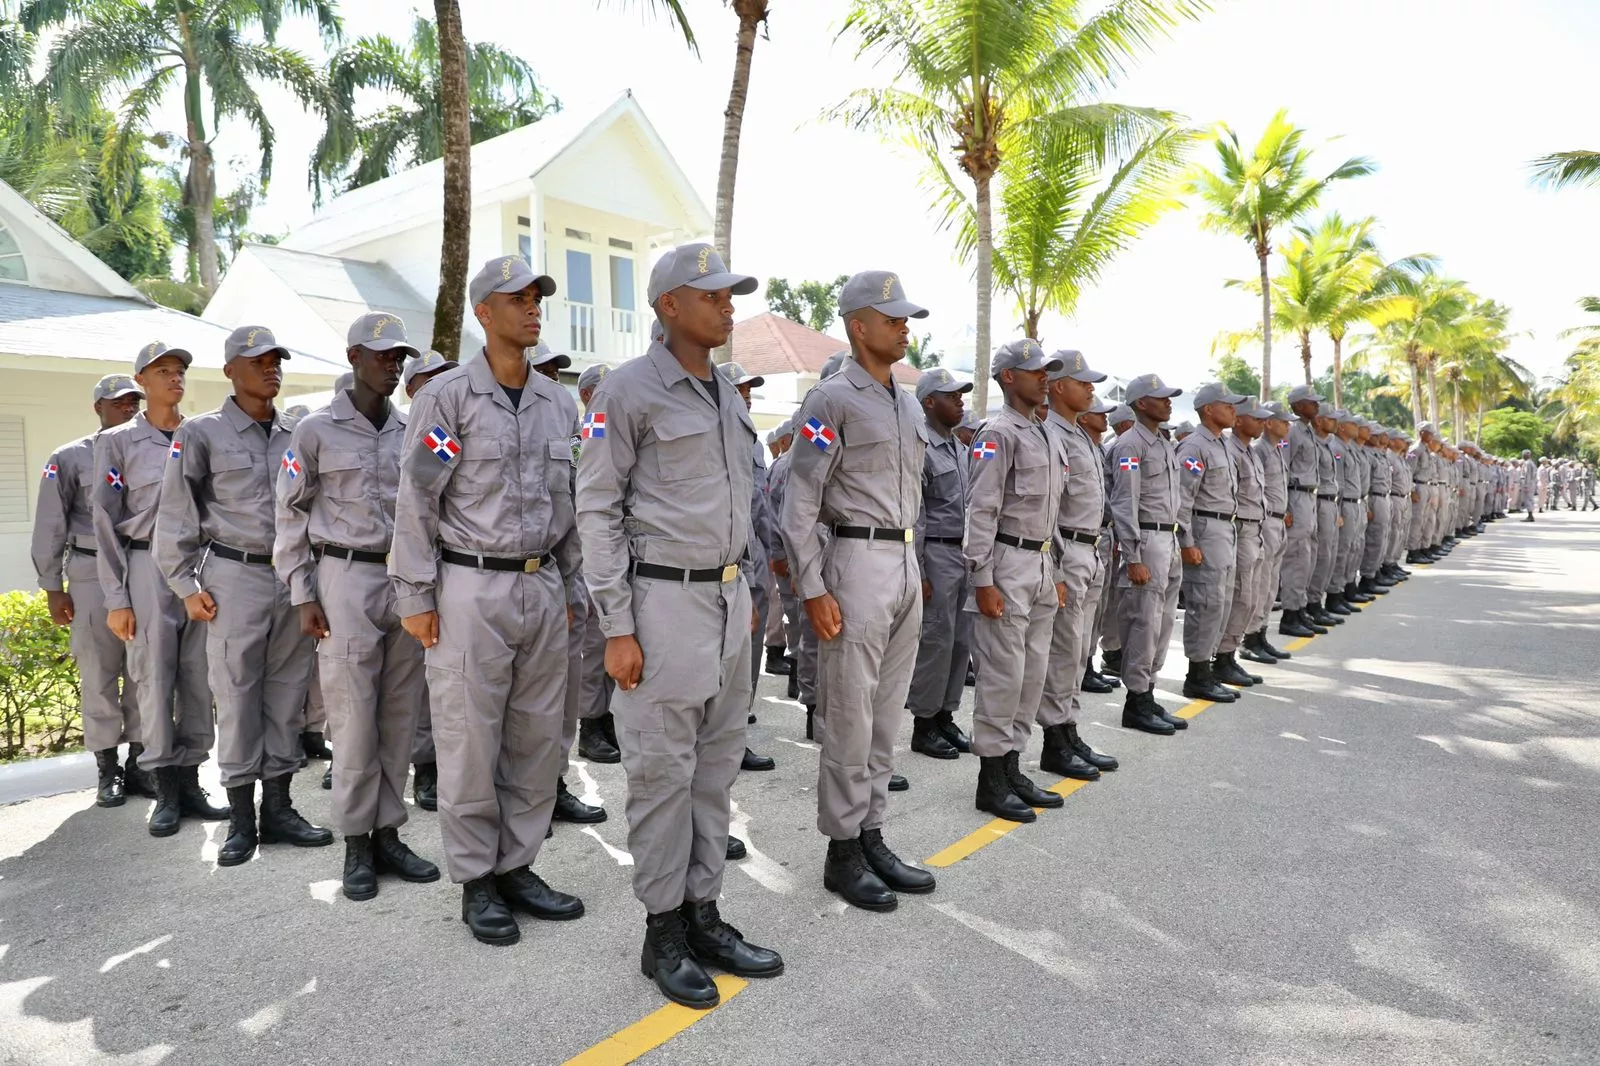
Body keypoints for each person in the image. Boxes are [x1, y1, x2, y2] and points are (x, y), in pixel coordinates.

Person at [577, 243, 782, 1008]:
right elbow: (596, 509)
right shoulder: (627, 392)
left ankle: (704, 912)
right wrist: (617, 626)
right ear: (669, 305)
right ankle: (662, 929)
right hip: (660, 607)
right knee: (662, 775)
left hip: (729, 604)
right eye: (714, 295)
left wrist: (751, 587)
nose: (729, 305)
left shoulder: (726, 393)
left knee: (714, 769)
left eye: (731, 294)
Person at [391, 256, 585, 945]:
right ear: (483, 312)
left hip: (541, 582)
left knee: (537, 737)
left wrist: (573, 585)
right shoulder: (445, 399)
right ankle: (477, 878)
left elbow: (573, 502)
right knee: (471, 738)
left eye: (538, 297)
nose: (533, 307)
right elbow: (417, 499)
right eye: (519, 298)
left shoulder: (560, 402)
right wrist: (415, 592)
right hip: (470, 583)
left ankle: (519, 865)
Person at [779, 271, 937, 910]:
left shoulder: (907, 402)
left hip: (901, 561)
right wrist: (812, 585)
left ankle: (870, 832)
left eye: (905, 318)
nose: (904, 327)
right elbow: (799, 503)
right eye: (892, 317)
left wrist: (914, 563)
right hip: (853, 560)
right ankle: (841, 850)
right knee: (849, 713)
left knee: (886, 712)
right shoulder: (830, 400)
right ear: (857, 326)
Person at [274, 313, 439, 900]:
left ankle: (389, 832)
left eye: (399, 356)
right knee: (351, 716)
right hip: (343, 578)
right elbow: (290, 514)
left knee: (399, 713)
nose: (393, 364)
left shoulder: (411, 430)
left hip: (405, 580)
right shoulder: (314, 430)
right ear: (354, 358)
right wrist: (302, 592)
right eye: (382, 355)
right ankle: (356, 844)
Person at [156, 326, 330, 866]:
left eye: (276, 359)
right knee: (234, 697)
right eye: (258, 361)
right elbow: (175, 512)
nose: (270, 369)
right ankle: (241, 819)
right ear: (231, 369)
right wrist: (185, 586)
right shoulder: (201, 432)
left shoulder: (298, 434)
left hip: (292, 578)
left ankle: (278, 808)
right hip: (233, 575)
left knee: (286, 695)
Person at [93, 342, 229, 837]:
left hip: (197, 566)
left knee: (198, 676)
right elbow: (104, 521)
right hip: (145, 564)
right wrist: (116, 598)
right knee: (152, 678)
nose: (175, 379)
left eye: (180, 371)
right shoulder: (118, 442)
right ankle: (165, 789)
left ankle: (192, 781)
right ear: (141, 382)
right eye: (163, 371)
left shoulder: (200, 433)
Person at [34, 374, 151, 807]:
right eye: (118, 402)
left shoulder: (150, 449)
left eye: (132, 401)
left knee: (143, 670)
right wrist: (52, 587)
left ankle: (141, 764)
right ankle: (108, 770)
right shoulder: (67, 458)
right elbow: (49, 524)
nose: (128, 408)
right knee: (99, 672)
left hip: (141, 566)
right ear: (97, 407)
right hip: (88, 571)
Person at [964, 339, 1069, 820]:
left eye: (1046, 370)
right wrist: (982, 578)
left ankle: (1013, 766)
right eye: (1033, 371)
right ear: (1008, 377)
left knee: (1031, 675)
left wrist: (1059, 569)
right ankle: (991, 778)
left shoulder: (1044, 432)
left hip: (1042, 565)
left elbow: (1052, 512)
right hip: (1006, 564)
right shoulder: (997, 432)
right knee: (1003, 677)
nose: (1043, 377)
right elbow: (981, 510)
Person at [527, 342, 611, 828]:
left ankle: (555, 784)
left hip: (570, 573)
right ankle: (519, 794)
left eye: (556, 372)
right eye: (544, 370)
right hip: (520, 576)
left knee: (562, 690)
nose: (549, 379)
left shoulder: (574, 430)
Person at [1036, 352, 1119, 782]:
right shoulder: (1052, 435)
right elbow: (1049, 509)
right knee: (1064, 651)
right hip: (1068, 551)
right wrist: (1057, 568)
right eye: (1082, 382)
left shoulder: (1081, 435)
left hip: (1091, 548)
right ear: (1057, 386)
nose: (1090, 389)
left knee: (1081, 649)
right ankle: (1055, 739)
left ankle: (1069, 730)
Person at [1109, 375, 1187, 735]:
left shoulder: (1164, 445)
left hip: (1168, 539)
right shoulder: (1130, 445)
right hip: (1147, 540)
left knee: (1164, 623)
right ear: (1141, 403)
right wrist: (1133, 555)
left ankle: (1149, 691)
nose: (1168, 402)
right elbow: (1125, 503)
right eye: (1160, 398)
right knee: (1144, 623)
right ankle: (1136, 700)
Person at [906, 367, 975, 761]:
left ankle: (946, 714)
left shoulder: (960, 450)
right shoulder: (923, 449)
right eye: (952, 396)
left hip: (962, 556)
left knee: (960, 640)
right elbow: (917, 514)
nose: (960, 401)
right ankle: (924, 723)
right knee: (935, 640)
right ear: (929, 402)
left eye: (961, 394)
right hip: (936, 553)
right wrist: (920, 569)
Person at [399, 348, 455, 810]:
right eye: (428, 378)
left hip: (454, 570)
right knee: (418, 685)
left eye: (445, 375)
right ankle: (426, 768)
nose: (438, 385)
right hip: (403, 572)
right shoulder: (401, 429)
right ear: (410, 387)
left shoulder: (448, 428)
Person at [718, 360, 778, 775]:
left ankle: (737, 734)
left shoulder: (754, 443)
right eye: (739, 388)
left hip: (754, 558)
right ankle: (722, 740)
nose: (747, 394)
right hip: (724, 560)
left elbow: (760, 507)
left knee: (748, 657)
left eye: (749, 388)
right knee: (723, 659)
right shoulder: (714, 434)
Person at [1174, 383, 1246, 702]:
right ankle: (1197, 674)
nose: (1233, 410)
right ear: (1208, 410)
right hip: (1205, 529)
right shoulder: (1194, 447)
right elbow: (1182, 499)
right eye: (1226, 405)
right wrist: (1186, 540)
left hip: (1224, 530)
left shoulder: (1222, 445)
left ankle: (1210, 667)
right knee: (1205, 603)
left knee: (1221, 602)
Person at [1215, 400, 1272, 680]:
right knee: (1239, 596)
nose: (1262, 423)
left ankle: (1230, 654)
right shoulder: (1230, 451)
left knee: (1250, 597)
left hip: (1255, 529)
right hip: (1239, 530)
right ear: (1238, 421)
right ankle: (1222, 658)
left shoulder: (1249, 451)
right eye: (1256, 418)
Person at [1246, 402, 1295, 660]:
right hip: (1265, 523)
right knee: (1261, 582)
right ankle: (1250, 637)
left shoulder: (1276, 451)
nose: (1287, 425)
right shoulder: (1260, 451)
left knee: (1271, 584)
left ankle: (1262, 633)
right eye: (1283, 421)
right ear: (1269, 423)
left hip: (1278, 522)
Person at [1096, 403, 1136, 679]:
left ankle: (1107, 654)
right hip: (1094, 532)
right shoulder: (1116, 448)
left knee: (1108, 601)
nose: (1104, 418)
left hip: (1108, 531)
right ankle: (1091, 661)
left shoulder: (1100, 448)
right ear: (1124, 426)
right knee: (1095, 603)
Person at [1519, 450, 1537, 521]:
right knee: (1530, 499)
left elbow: (1527, 475)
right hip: (1531, 483)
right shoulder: (1531, 463)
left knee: (1528, 499)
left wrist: (1526, 485)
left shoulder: (1527, 463)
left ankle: (1530, 516)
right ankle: (1530, 515)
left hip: (1528, 484)